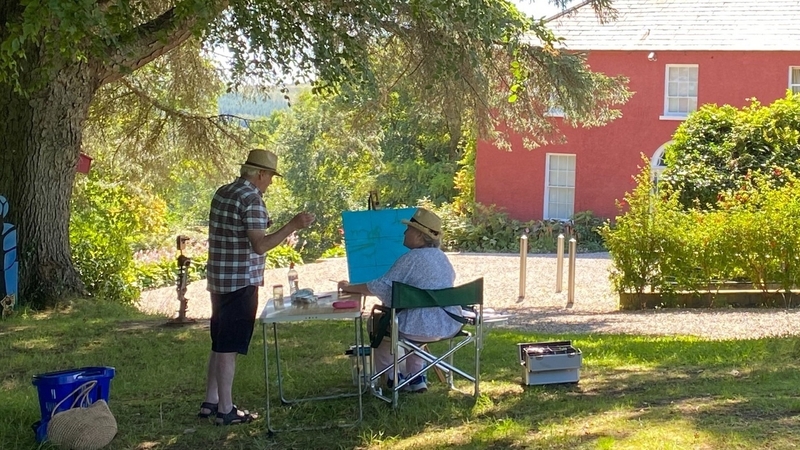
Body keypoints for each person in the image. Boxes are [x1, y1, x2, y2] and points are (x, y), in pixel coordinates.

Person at [200, 149, 315, 425]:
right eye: (271, 176)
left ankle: (210, 401)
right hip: (241, 281)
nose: (271, 182)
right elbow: (260, 245)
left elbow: (233, 230)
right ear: (260, 174)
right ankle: (225, 410)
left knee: (219, 341)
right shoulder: (252, 200)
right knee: (229, 346)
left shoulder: (223, 192)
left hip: (219, 278)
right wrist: (293, 225)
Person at [338, 208, 461, 393]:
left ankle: (392, 377)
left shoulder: (410, 259)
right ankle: (416, 377)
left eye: (408, 229)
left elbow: (378, 287)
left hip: (416, 327)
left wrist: (348, 287)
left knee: (378, 322)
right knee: (415, 321)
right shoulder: (442, 258)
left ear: (420, 236)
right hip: (448, 323)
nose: (404, 232)